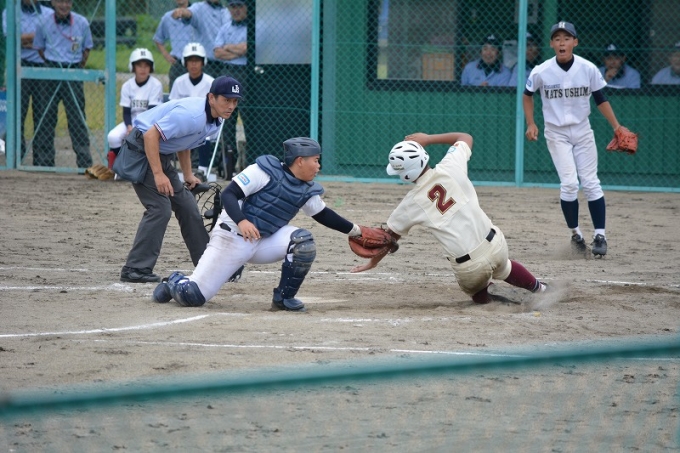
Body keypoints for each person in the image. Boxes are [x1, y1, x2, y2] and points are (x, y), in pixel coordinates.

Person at [151, 137, 366, 312]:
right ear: (300, 160)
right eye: (316, 160)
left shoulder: (306, 189)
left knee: (303, 242)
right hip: (232, 237)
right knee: (193, 296)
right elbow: (229, 194)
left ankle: (284, 298)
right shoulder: (263, 170)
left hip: (264, 241)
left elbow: (324, 215)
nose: (318, 166)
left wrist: (357, 231)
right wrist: (242, 220)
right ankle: (174, 281)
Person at [350, 133, 548, 305]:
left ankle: (496, 298)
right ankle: (541, 289)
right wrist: (428, 139)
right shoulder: (450, 166)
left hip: (470, 266)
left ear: (406, 175)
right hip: (496, 244)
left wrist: (373, 262)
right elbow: (465, 137)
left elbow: (389, 238)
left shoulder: (411, 202)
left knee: (476, 292)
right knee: (505, 267)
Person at [119, 76, 243, 283]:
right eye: (226, 100)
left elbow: (184, 140)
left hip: (159, 154)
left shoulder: (216, 119)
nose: (231, 106)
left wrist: (187, 174)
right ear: (211, 98)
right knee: (160, 208)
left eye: (235, 101)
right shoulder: (192, 116)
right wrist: (159, 174)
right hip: (141, 151)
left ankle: (208, 265)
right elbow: (150, 136)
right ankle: (135, 269)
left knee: (187, 206)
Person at [522, 21, 626, 258]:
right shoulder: (541, 71)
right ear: (551, 44)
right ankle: (576, 235)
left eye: (567, 38)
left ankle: (600, 235)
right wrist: (531, 122)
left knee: (590, 182)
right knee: (569, 184)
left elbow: (600, 98)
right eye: (557, 38)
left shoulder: (587, 68)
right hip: (556, 133)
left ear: (575, 42)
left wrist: (616, 126)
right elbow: (527, 95)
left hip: (582, 131)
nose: (562, 43)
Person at [32, 0, 93, 168]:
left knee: (77, 118)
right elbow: (40, 49)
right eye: (60, 1)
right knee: (46, 116)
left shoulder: (82, 22)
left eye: (67, 1)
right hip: (51, 70)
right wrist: (53, 64)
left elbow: (86, 49)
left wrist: (75, 67)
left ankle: (84, 163)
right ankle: (45, 162)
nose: (64, 5)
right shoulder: (43, 22)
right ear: (53, 2)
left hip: (73, 70)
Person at [2, 0, 53, 162]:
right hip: (19, 66)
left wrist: (24, 39)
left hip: (43, 66)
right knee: (17, 113)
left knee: (43, 114)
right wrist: (39, 39)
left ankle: (43, 160)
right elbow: (10, 39)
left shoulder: (49, 13)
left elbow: (52, 40)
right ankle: (15, 157)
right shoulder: (10, 12)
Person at [107, 48, 163, 171]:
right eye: (139, 65)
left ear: (151, 67)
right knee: (113, 137)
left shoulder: (155, 84)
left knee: (140, 138)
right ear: (133, 67)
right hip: (132, 121)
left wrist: (136, 129)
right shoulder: (127, 85)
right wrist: (129, 127)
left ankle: (134, 167)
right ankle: (121, 166)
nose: (143, 69)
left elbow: (152, 112)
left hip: (151, 123)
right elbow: (126, 112)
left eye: (146, 65)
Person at [169, 42, 215, 178]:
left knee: (205, 134)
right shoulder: (179, 82)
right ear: (185, 62)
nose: (194, 64)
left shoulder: (211, 82)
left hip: (206, 122)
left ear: (203, 62)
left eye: (197, 60)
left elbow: (214, 108)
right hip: (184, 122)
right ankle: (182, 171)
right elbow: (173, 107)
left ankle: (202, 170)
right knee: (179, 132)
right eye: (190, 60)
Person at [213, 0, 249, 170]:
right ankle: (227, 163)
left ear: (246, 8)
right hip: (228, 73)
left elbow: (248, 48)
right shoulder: (225, 28)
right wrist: (238, 51)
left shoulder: (252, 27)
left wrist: (228, 47)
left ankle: (250, 161)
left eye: (239, 6)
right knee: (227, 119)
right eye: (233, 7)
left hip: (246, 74)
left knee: (248, 118)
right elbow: (217, 52)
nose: (236, 10)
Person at [172, 0, 231, 78]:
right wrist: (182, 12)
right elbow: (189, 13)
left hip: (226, 64)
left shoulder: (226, 11)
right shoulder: (199, 8)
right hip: (207, 65)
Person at [153, 0, 194, 91]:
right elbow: (158, 39)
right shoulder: (168, 17)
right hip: (178, 63)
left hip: (196, 61)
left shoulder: (197, 14)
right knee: (175, 94)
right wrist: (166, 55)